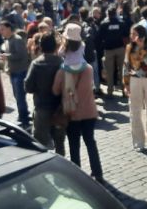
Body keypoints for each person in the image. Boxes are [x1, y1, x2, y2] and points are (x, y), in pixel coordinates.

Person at [52, 24, 103, 182]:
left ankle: (78, 177)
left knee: (74, 145)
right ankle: (98, 172)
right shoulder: (88, 69)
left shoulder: (62, 70)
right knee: (90, 142)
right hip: (89, 112)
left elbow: (55, 91)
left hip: (72, 113)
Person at [25, 33, 66, 154]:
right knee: (60, 144)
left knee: (40, 145)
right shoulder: (61, 62)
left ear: (41, 47)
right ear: (55, 47)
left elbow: (28, 87)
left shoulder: (36, 63)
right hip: (59, 109)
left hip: (42, 108)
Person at [122, 25, 147, 151]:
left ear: (141, 35)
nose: (131, 36)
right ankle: (139, 141)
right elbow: (126, 65)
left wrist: (140, 48)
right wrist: (126, 83)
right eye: (131, 34)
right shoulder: (129, 47)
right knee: (135, 110)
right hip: (134, 80)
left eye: (134, 34)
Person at [0, 20, 31, 126]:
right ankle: (23, 114)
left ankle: (24, 118)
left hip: (20, 72)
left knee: (20, 96)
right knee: (17, 95)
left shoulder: (17, 39)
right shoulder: (8, 40)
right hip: (14, 72)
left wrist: (7, 56)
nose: (1, 31)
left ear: (9, 28)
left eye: (3, 29)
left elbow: (20, 55)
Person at [99, 7, 126, 97]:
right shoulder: (121, 23)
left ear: (108, 14)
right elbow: (125, 35)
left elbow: (100, 37)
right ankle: (124, 91)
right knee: (122, 70)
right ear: (115, 13)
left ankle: (110, 92)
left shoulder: (104, 24)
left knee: (109, 71)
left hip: (108, 49)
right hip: (120, 48)